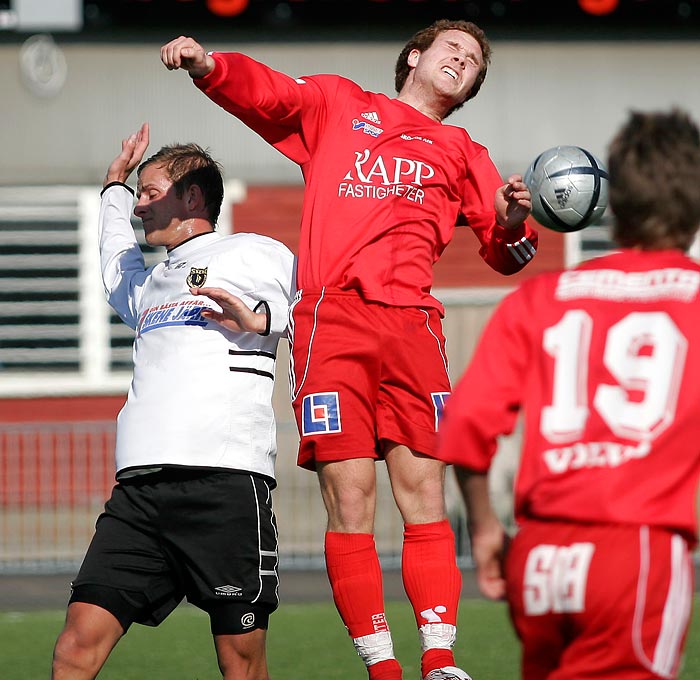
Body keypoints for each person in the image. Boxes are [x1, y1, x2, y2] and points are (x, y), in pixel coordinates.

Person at [160, 20, 539, 680]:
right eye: (453, 47)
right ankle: (383, 666)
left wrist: (511, 220)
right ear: (415, 55)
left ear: (472, 86)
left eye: (473, 61)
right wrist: (208, 65)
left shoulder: (464, 151)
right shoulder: (341, 104)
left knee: (424, 490)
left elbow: (508, 251)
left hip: (414, 326)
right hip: (332, 323)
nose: (462, 59)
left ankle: (440, 660)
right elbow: (271, 94)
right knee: (352, 497)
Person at [438, 108, 700, 680]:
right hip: (636, 547)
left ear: (615, 203)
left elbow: (464, 428)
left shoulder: (542, 298)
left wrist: (484, 528)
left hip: (540, 556)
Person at [50, 122, 296, 680]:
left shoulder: (256, 252)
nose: (140, 206)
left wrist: (261, 320)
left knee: (240, 660)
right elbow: (115, 262)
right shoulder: (150, 284)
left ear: (191, 197)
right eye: (137, 195)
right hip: (139, 493)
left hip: (225, 483)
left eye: (149, 192)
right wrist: (112, 188)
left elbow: (321, 306)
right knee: (74, 648)